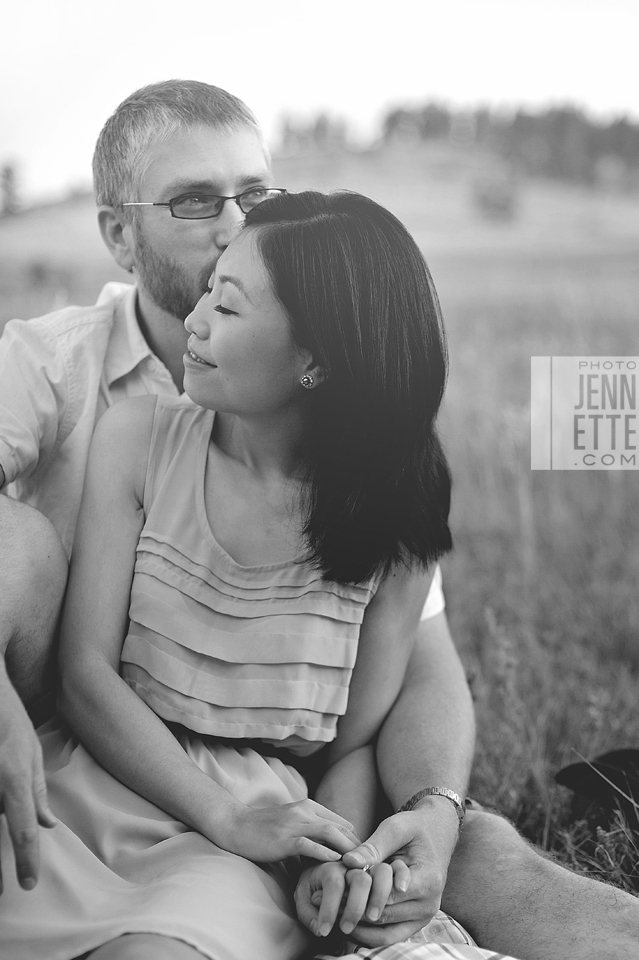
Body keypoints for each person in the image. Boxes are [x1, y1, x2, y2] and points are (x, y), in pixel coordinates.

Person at [0, 81, 637, 960]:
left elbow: (407, 676)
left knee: (476, 853)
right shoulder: (61, 377)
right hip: (79, 751)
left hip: (284, 783)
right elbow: (79, 667)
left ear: (315, 360)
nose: (236, 223)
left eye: (255, 195)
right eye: (194, 202)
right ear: (119, 234)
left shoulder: (362, 462)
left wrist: (432, 814)